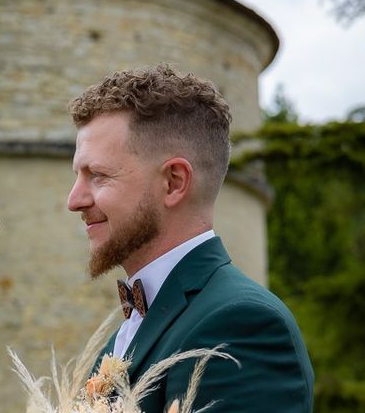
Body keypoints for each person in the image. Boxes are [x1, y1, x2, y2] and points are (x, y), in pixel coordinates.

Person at [67, 65, 314, 412]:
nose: (74, 199)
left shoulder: (240, 327)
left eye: (98, 176)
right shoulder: (128, 331)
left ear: (174, 182)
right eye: (78, 175)